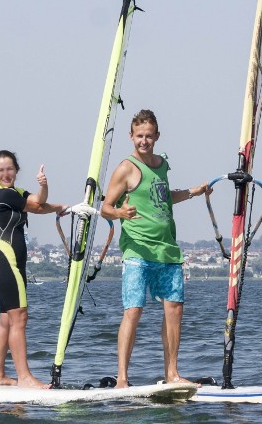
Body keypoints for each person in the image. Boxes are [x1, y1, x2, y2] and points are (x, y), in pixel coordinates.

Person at [100, 110, 210, 388]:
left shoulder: (162, 165)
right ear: (131, 137)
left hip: (167, 250)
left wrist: (192, 193)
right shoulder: (126, 168)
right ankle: (122, 379)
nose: (144, 141)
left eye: (149, 136)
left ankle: (172, 373)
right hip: (138, 251)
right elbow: (105, 208)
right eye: (139, 136)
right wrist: (120, 213)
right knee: (133, 311)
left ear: (157, 136)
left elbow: (163, 197)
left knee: (174, 309)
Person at [0, 149, 93, 388]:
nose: (6, 174)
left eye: (10, 169)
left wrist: (45, 187)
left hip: (7, 265)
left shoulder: (14, 193)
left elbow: (38, 201)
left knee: (6, 320)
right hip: (7, 264)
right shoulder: (3, 193)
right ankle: (24, 377)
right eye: (1, 170)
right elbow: (35, 208)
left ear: (16, 170)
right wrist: (63, 207)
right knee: (20, 318)